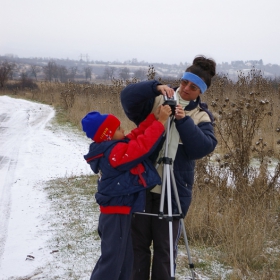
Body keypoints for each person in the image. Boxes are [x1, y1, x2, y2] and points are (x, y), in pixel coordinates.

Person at [120, 55, 218, 280]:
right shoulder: (157, 99)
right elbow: (126, 98)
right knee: (138, 248)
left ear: (200, 91)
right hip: (142, 186)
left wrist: (184, 122)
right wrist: (155, 86)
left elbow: (203, 147)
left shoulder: (200, 115)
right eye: (184, 82)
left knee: (165, 252)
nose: (185, 90)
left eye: (193, 87)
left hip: (173, 192)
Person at [81, 106, 172, 280]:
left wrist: (152, 119)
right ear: (107, 135)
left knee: (125, 258)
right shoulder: (114, 153)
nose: (123, 130)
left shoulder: (113, 147)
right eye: (118, 129)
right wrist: (160, 123)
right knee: (113, 260)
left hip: (120, 213)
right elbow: (140, 146)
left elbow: (135, 136)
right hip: (116, 215)